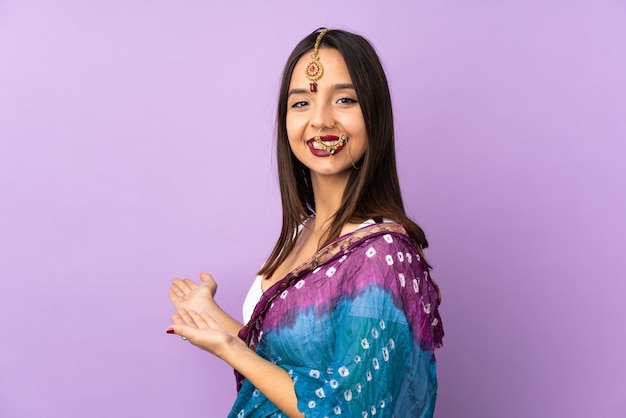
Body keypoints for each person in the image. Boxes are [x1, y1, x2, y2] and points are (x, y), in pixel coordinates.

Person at [166, 28, 444, 418]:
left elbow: (350, 410)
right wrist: (213, 318)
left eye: (344, 100)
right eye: (301, 103)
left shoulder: (380, 257)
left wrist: (229, 349)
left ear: (375, 115)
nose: (320, 120)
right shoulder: (303, 232)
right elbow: (280, 367)